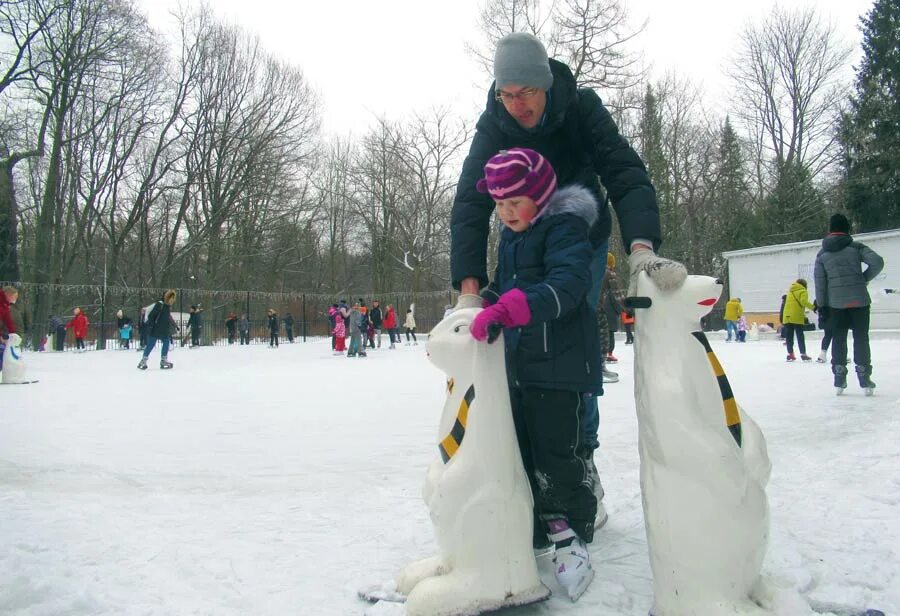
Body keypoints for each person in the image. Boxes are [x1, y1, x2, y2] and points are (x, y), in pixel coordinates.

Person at [449, 32, 686, 524]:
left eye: (526, 93)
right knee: (519, 345)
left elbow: (625, 171)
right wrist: (469, 287)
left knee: (567, 344)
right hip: (522, 239)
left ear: (546, 85)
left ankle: (581, 464)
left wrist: (641, 245)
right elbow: (471, 202)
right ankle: (528, 469)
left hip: (580, 235)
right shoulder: (495, 120)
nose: (516, 105)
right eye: (506, 94)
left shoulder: (580, 107)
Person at [469, 147, 603, 599]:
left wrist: (511, 306)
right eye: (499, 205)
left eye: (514, 203)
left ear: (541, 196)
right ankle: (536, 530)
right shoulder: (512, 236)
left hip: (559, 366)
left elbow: (568, 285)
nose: (505, 213)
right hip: (522, 365)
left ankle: (573, 533)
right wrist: (486, 300)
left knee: (557, 456)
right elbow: (507, 285)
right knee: (522, 451)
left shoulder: (564, 228)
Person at [814, 213, 884, 393]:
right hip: (859, 301)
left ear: (830, 229)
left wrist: (822, 306)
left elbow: (820, 284)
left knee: (838, 339)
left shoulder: (822, 254)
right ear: (847, 229)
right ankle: (864, 377)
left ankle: (839, 377)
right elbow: (877, 262)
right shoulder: (855, 247)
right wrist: (863, 278)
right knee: (861, 338)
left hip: (836, 305)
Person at [138, 290, 177, 370]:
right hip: (155, 329)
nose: (172, 300)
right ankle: (143, 360)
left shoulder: (167, 307)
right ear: (167, 297)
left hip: (164, 330)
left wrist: (174, 326)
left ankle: (163, 360)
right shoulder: (160, 305)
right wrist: (151, 326)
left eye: (173, 298)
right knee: (150, 345)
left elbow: (167, 318)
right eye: (171, 298)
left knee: (166, 343)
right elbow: (151, 316)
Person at [782, 279, 815, 362]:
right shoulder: (803, 290)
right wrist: (814, 308)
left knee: (789, 336)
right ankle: (803, 354)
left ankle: (790, 354)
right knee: (800, 335)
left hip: (787, 316)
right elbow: (803, 302)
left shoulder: (790, 291)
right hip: (796, 316)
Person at [0, 286, 19, 370]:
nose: (15, 299)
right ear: (8, 295)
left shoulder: (5, 305)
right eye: (14, 297)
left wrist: (13, 334)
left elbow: (8, 321)